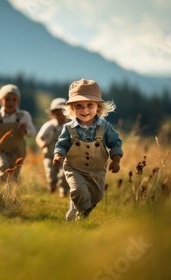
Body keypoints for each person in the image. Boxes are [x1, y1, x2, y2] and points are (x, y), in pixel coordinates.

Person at [53, 79, 123, 220]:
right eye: (79, 106)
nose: (85, 110)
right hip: (74, 168)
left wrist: (116, 159)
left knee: (96, 197)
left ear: (98, 106)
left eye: (89, 105)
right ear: (72, 108)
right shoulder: (68, 128)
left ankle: (77, 206)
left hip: (97, 170)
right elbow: (62, 144)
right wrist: (58, 155)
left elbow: (115, 143)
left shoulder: (105, 127)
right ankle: (83, 217)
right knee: (79, 189)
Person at [0, 84, 36, 182]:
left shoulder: (24, 116)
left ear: (18, 101)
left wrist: (25, 130)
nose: (11, 102)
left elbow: (32, 132)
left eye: (14, 99)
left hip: (17, 152)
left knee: (14, 174)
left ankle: (12, 194)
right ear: (0, 101)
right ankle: (3, 191)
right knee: (2, 165)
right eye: (7, 99)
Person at [36, 97, 70, 197]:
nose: (61, 116)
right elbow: (39, 137)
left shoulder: (69, 126)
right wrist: (42, 143)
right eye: (57, 114)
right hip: (49, 155)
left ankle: (63, 191)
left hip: (64, 156)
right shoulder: (49, 126)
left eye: (63, 113)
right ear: (52, 114)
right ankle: (52, 187)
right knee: (51, 175)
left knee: (64, 174)